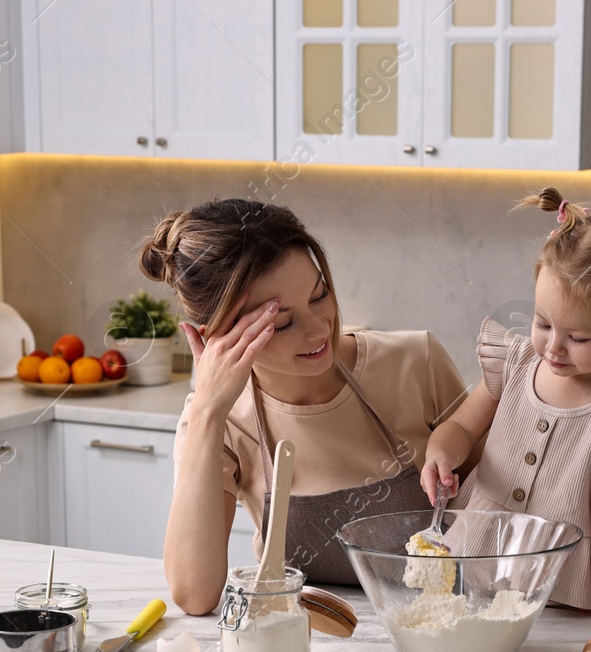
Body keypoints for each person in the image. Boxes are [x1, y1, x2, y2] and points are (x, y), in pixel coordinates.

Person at [142, 199, 467, 615]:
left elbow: (495, 515)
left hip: (441, 625)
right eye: (281, 323)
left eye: (320, 295)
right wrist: (206, 413)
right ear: (219, 336)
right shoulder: (218, 420)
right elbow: (195, 594)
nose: (319, 329)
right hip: (306, 645)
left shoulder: (416, 360)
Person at [420, 188, 591, 613]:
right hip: (471, 562)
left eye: (577, 337)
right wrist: (441, 455)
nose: (553, 347)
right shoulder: (516, 361)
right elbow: (461, 427)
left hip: (559, 586)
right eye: (543, 323)